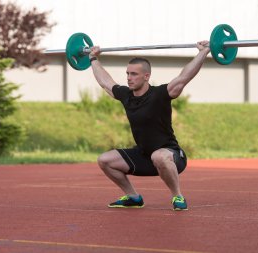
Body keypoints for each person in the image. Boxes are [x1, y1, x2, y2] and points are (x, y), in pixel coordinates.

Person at [89, 40, 210, 211]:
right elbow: (105, 82)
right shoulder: (126, 95)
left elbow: (184, 77)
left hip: (171, 157)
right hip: (144, 155)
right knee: (105, 160)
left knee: (159, 156)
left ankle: (177, 196)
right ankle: (133, 197)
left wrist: (203, 52)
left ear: (146, 76)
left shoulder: (160, 94)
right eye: (127, 74)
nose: (129, 78)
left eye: (134, 74)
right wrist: (93, 59)